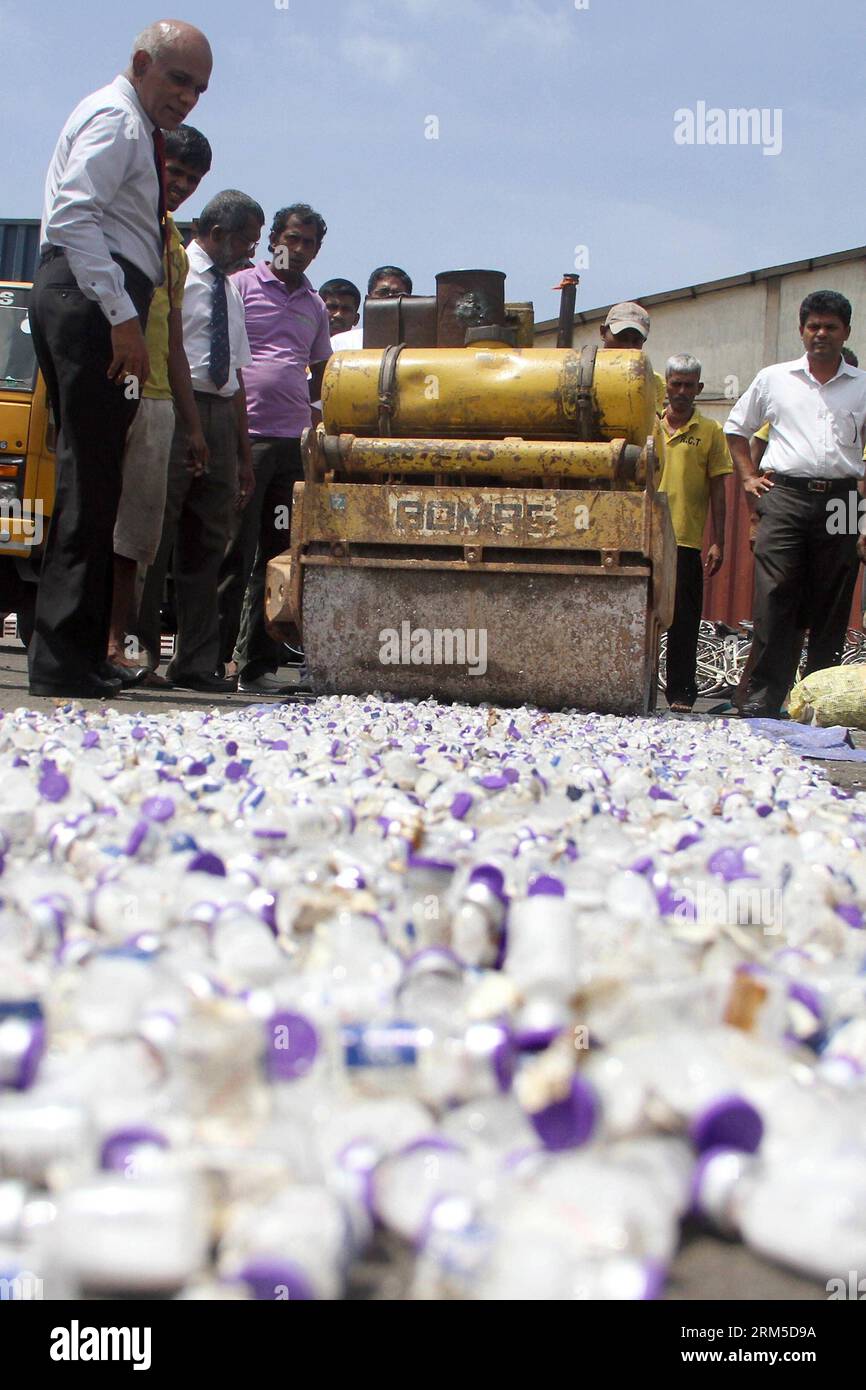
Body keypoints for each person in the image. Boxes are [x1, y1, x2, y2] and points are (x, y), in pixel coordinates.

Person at [26, 19, 212, 698]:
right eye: (177, 79)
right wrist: (122, 318)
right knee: (91, 480)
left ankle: (74, 652)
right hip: (92, 299)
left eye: (198, 88)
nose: (187, 97)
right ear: (140, 63)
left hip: (87, 295)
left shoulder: (130, 123)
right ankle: (63, 662)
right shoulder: (119, 120)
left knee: (93, 479)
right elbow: (75, 216)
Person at [136, 189, 264, 692]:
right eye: (248, 241)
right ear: (218, 234)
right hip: (175, 406)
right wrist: (189, 427)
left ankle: (194, 662)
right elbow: (171, 355)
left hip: (219, 416)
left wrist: (242, 454)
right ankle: (138, 655)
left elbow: (233, 375)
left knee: (207, 545)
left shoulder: (230, 290)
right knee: (155, 534)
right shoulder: (176, 275)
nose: (253, 252)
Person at [725, 291, 866, 719]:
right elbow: (735, 428)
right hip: (784, 497)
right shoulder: (774, 378)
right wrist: (748, 477)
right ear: (801, 330)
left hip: (843, 499)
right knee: (776, 595)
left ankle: (817, 701)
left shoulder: (862, 386)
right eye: (813, 326)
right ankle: (764, 699)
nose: (821, 334)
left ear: (846, 332)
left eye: (830, 327)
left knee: (833, 597)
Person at [107, 123, 213, 683]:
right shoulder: (119, 220)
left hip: (156, 400)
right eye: (175, 171)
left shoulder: (173, 247)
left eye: (191, 179)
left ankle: (114, 645)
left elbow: (173, 339)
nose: (181, 185)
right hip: (107, 384)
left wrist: (191, 424)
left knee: (135, 538)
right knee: (89, 520)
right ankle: (83, 642)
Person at [218, 204, 332, 694]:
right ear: (272, 242)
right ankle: (210, 661)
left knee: (279, 558)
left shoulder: (315, 304)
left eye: (309, 243)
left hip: (293, 445)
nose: (300, 250)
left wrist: (319, 433)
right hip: (243, 438)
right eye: (292, 239)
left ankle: (258, 667)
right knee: (230, 551)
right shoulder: (241, 286)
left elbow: (322, 375)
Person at [657, 354, 731, 712]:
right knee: (641, 616)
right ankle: (634, 686)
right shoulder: (646, 423)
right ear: (666, 385)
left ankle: (682, 693)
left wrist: (718, 540)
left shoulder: (711, 432)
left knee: (683, 620)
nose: (681, 391)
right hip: (644, 536)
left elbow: (719, 489)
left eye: (689, 385)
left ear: (699, 389)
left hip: (686, 540)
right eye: (676, 383)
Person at [599, 301, 665, 411]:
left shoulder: (653, 381)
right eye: (621, 337)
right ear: (603, 332)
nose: (628, 347)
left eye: (636, 341)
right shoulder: (580, 372)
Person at [319, 278, 362, 348]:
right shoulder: (302, 344)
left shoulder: (362, 351)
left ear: (356, 319)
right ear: (317, 311)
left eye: (346, 309)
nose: (338, 314)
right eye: (332, 307)